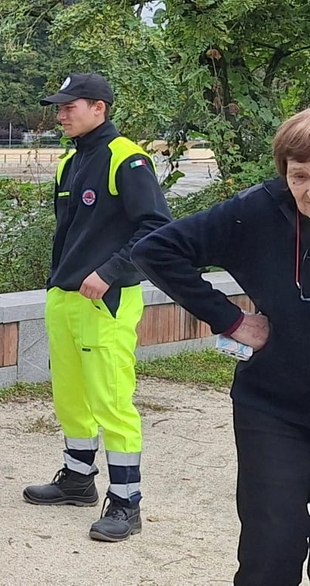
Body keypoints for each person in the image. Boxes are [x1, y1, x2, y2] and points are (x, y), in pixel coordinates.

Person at [131, 110, 310, 585]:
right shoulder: (256, 211)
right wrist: (230, 319)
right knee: (273, 547)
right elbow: (156, 250)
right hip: (273, 407)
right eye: (300, 177)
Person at [22, 72, 172, 542]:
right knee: (70, 397)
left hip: (106, 299)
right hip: (66, 297)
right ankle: (78, 478)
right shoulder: (72, 163)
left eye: (70, 106)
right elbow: (67, 235)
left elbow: (156, 228)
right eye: (60, 107)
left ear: (99, 109)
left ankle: (127, 503)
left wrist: (109, 272)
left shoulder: (126, 159)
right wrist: (55, 284)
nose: (61, 114)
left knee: (111, 400)